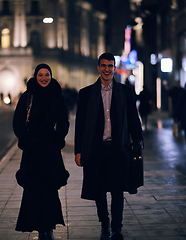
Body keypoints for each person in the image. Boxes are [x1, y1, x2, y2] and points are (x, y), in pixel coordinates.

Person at [74, 53, 144, 240]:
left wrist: (138, 141)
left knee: (117, 190)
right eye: (103, 65)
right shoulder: (86, 93)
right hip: (95, 150)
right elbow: (80, 125)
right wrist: (78, 151)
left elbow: (133, 120)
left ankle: (117, 228)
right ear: (98, 68)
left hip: (118, 150)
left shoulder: (125, 92)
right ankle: (104, 225)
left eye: (110, 66)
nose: (107, 69)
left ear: (114, 68)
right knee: (99, 191)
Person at [13, 63, 70, 240]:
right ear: (35, 77)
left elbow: (64, 121)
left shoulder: (57, 97)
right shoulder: (27, 96)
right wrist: (26, 139)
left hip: (50, 150)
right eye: (40, 75)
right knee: (33, 190)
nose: (44, 78)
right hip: (32, 150)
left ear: (51, 76)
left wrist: (57, 138)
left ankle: (49, 228)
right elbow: (18, 121)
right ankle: (39, 228)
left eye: (47, 75)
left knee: (49, 189)